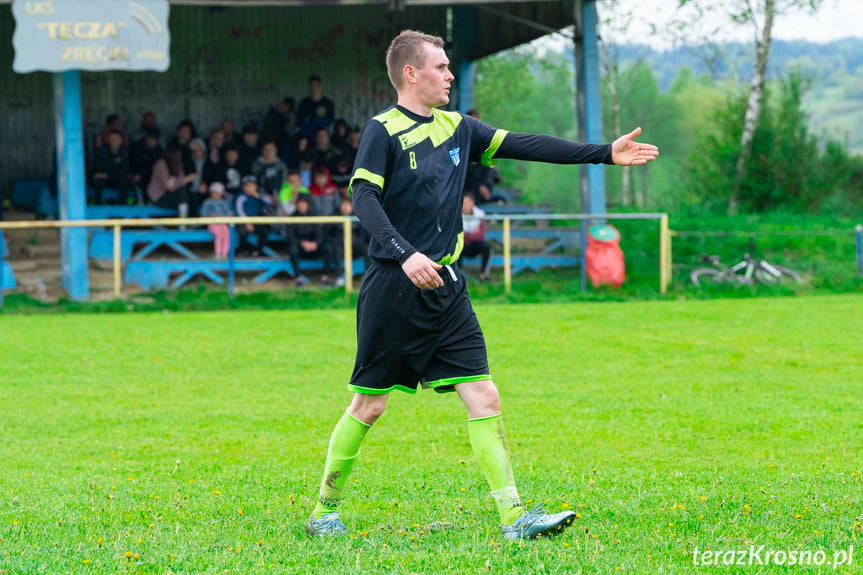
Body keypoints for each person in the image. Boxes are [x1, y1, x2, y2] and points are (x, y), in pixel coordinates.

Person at [305, 30, 659, 540]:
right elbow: (363, 200)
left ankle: (515, 519)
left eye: (449, 67)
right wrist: (406, 255)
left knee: (484, 395)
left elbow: (527, 145)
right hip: (395, 286)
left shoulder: (459, 128)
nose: (450, 75)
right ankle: (323, 511)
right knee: (371, 404)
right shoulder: (382, 131)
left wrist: (605, 153)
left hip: (449, 290)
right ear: (411, 73)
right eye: (441, 67)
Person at [284, 193, 336, 287]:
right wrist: (302, 243)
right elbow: (290, 237)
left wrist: (315, 243)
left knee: (328, 247)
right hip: (300, 248)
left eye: (304, 203)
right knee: (292, 249)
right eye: (300, 203)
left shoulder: (314, 216)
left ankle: (325, 278)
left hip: (315, 247)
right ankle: (298, 279)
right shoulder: (292, 217)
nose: (302, 205)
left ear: (308, 204)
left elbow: (320, 233)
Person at [147, 146, 195, 217]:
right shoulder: (161, 164)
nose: (179, 156)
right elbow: (169, 186)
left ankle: (191, 222)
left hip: (173, 195)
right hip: (158, 197)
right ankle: (183, 222)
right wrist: (186, 179)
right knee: (183, 194)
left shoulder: (178, 163)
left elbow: (180, 182)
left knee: (190, 196)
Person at [234, 175, 272, 257]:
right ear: (243, 188)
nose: (250, 188)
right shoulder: (241, 197)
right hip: (243, 221)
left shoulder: (260, 196)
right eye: (247, 186)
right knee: (242, 232)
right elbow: (239, 211)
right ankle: (242, 251)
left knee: (264, 231)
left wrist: (258, 197)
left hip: (257, 220)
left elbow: (268, 207)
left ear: (256, 186)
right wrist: (247, 222)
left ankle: (258, 251)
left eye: (252, 185)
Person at [91, 130, 131, 204]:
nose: (114, 141)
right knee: (98, 181)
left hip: (116, 179)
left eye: (116, 139)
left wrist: (107, 175)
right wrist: (103, 175)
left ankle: (122, 207)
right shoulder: (102, 151)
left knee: (124, 182)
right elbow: (97, 168)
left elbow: (123, 171)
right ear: (108, 140)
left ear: (121, 140)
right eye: (111, 139)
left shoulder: (125, 153)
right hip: (104, 179)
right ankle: (98, 206)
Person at [460, 191, 492, 281]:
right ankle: (458, 274)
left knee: (486, 246)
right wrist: (473, 234)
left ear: (472, 202)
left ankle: (484, 275)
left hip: (474, 245)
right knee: (454, 245)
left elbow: (480, 236)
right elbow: (455, 235)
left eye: (467, 202)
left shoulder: (480, 214)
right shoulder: (455, 215)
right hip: (461, 245)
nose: (465, 205)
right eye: (463, 202)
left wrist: (465, 235)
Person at [200, 182, 233, 258]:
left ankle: (224, 253)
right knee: (219, 235)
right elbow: (203, 214)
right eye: (214, 193)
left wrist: (224, 218)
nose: (216, 195)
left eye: (218, 193)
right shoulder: (207, 202)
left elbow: (229, 212)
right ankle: (218, 253)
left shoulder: (223, 202)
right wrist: (210, 216)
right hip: (212, 223)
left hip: (222, 223)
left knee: (227, 235)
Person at [129, 128, 164, 202]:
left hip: (149, 177)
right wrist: (131, 174)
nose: (152, 142)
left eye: (154, 140)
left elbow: (155, 167)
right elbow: (129, 162)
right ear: (146, 138)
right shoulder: (136, 147)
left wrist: (141, 174)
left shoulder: (159, 151)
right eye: (150, 139)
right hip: (133, 176)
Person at [298, 74, 335, 139]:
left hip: (322, 138)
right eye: (311, 85)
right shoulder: (303, 103)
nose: (314, 88)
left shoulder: (327, 103)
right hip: (308, 137)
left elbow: (330, 120)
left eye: (316, 85)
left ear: (320, 86)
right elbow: (299, 121)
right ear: (309, 86)